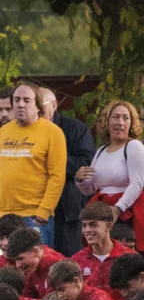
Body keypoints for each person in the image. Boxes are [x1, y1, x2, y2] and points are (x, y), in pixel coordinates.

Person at [0, 84, 67, 248]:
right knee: (6, 269)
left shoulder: (53, 132)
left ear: (38, 106)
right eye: (16, 100)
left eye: (26, 100)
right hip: (4, 216)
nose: (21, 104)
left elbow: (57, 177)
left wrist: (42, 214)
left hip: (34, 216)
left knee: (36, 268)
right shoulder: (3, 131)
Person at [76, 100, 144, 250]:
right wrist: (79, 179)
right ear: (107, 121)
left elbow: (137, 183)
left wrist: (117, 209)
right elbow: (90, 189)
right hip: (101, 210)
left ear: (131, 123)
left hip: (127, 213)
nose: (120, 122)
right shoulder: (101, 150)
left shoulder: (134, 146)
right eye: (115, 117)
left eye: (126, 118)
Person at [39, 88, 95, 256]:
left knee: (68, 258)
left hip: (67, 208)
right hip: (37, 205)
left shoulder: (75, 128)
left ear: (54, 105)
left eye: (39, 104)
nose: (36, 109)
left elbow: (86, 163)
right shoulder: (27, 132)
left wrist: (52, 162)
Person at [72, 202, 135, 300]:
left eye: (93, 225)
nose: (87, 230)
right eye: (84, 226)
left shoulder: (130, 257)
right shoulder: (76, 261)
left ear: (109, 226)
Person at [5, 227, 66, 300]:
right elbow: (26, 297)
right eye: (15, 260)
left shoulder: (59, 268)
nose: (18, 265)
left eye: (20, 258)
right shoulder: (32, 267)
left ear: (36, 252)